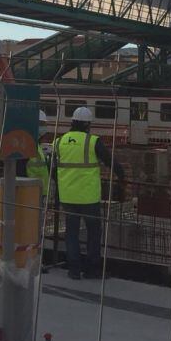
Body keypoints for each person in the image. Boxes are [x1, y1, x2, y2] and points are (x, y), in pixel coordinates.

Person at [54, 106, 126, 280]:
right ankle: (92, 269)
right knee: (94, 233)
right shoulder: (93, 141)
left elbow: (53, 169)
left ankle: (74, 270)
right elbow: (111, 162)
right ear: (87, 125)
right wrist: (121, 177)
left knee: (71, 233)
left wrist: (61, 185)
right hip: (88, 197)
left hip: (67, 196)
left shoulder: (60, 141)